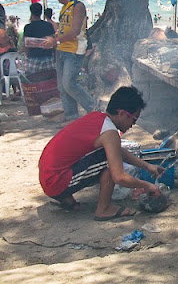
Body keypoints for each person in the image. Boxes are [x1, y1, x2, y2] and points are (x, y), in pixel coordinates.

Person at [39, 86, 163, 220]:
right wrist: (147, 185)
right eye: (134, 119)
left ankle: (66, 198)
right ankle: (104, 209)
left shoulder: (98, 118)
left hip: (48, 175)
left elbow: (118, 151)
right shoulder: (109, 133)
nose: (133, 124)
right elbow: (119, 177)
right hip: (55, 181)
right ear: (121, 114)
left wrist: (146, 166)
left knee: (107, 154)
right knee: (108, 161)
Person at [44, 0, 95, 121]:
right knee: (62, 86)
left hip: (74, 51)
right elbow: (63, 28)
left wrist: (56, 40)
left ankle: (93, 107)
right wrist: (54, 39)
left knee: (69, 83)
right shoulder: (64, 8)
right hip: (61, 50)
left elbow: (75, 31)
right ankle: (71, 115)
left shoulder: (78, 6)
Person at [23, 3, 56, 76]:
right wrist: (55, 57)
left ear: (31, 12)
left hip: (33, 58)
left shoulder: (28, 27)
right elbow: (53, 43)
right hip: (48, 58)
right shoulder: (48, 25)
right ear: (41, 12)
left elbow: (26, 45)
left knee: (32, 80)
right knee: (49, 80)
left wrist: (27, 57)